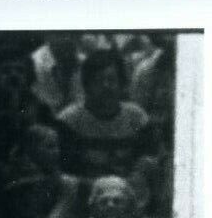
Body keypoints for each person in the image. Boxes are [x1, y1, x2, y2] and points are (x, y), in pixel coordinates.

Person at [56, 49, 152, 178]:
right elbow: (66, 172)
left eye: (111, 79)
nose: (106, 86)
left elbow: (146, 161)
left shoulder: (136, 117)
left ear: (121, 83)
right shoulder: (69, 120)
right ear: (87, 85)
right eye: (98, 80)